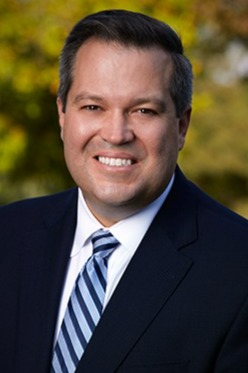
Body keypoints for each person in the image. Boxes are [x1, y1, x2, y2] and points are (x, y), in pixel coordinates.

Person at [0, 9, 248, 373]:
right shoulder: (8, 236)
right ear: (62, 116)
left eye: (143, 110)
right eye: (93, 107)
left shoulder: (238, 270)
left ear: (181, 126)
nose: (116, 134)